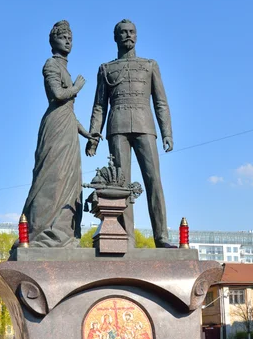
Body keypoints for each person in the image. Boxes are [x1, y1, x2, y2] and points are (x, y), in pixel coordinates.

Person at [86, 19, 174, 248]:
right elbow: (99, 106)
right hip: (117, 128)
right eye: (123, 32)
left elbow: (161, 103)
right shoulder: (106, 69)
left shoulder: (150, 65)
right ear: (116, 38)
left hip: (146, 127)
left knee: (154, 180)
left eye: (131, 32)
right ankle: (126, 238)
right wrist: (94, 136)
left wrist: (167, 132)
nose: (128, 35)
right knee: (120, 186)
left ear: (136, 36)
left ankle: (161, 236)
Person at [21, 20, 100, 247]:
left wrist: (87, 134)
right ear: (52, 40)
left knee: (70, 180)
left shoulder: (64, 67)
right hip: (55, 127)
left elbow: (70, 113)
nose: (67, 40)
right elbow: (57, 94)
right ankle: (41, 233)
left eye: (70, 38)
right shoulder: (51, 65)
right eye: (62, 36)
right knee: (52, 178)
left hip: (68, 127)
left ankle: (64, 234)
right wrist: (76, 88)